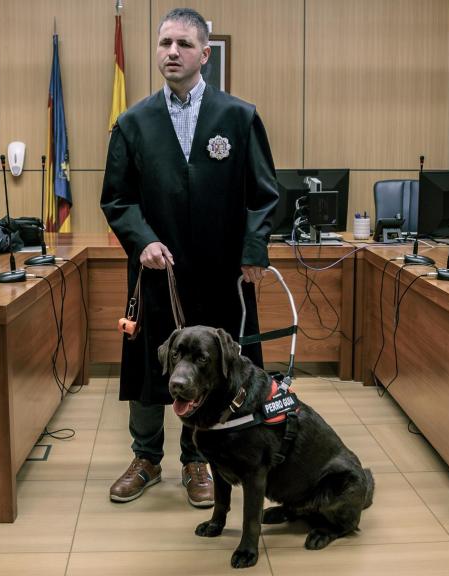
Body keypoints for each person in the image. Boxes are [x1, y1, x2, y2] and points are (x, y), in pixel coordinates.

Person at [100, 7, 279, 508]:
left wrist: (252, 250)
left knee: (212, 368)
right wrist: (142, 242)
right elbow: (117, 198)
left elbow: (263, 194)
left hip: (221, 273)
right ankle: (145, 458)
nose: (171, 52)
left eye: (182, 44)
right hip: (157, 270)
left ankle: (196, 459)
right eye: (164, 43)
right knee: (148, 364)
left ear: (205, 53)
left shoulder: (238, 117)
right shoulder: (133, 122)